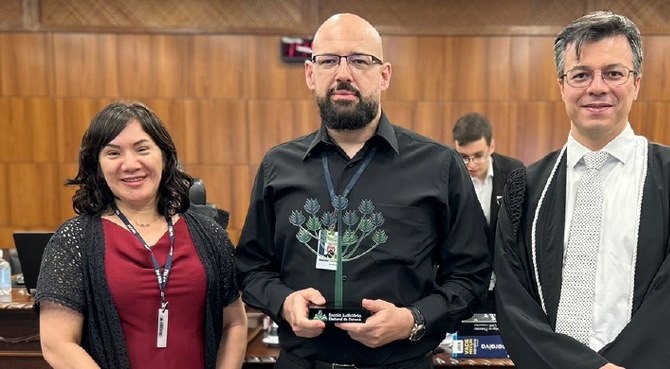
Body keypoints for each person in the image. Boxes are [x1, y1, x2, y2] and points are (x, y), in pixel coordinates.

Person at [235, 13, 491, 369]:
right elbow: (251, 267)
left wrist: (414, 319)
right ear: (311, 74)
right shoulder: (278, 166)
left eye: (359, 60)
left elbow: (471, 275)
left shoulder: (439, 165)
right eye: (328, 61)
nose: (343, 74)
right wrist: (282, 302)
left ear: (384, 75)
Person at [493, 11, 670, 369]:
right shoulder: (527, 187)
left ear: (636, 83)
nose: (597, 87)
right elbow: (512, 302)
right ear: (562, 86)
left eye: (613, 73)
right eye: (581, 75)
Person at [35, 102, 248, 369]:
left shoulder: (209, 234)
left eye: (142, 149)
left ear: (165, 155)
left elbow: (235, 323)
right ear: (97, 166)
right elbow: (57, 344)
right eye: (113, 153)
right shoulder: (74, 240)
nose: (130, 164)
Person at [452, 112, 523, 313]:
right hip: (464, 277)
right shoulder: (448, 173)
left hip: (506, 277)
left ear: (491, 146)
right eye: (463, 157)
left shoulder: (514, 172)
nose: (471, 164)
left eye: (478, 156)